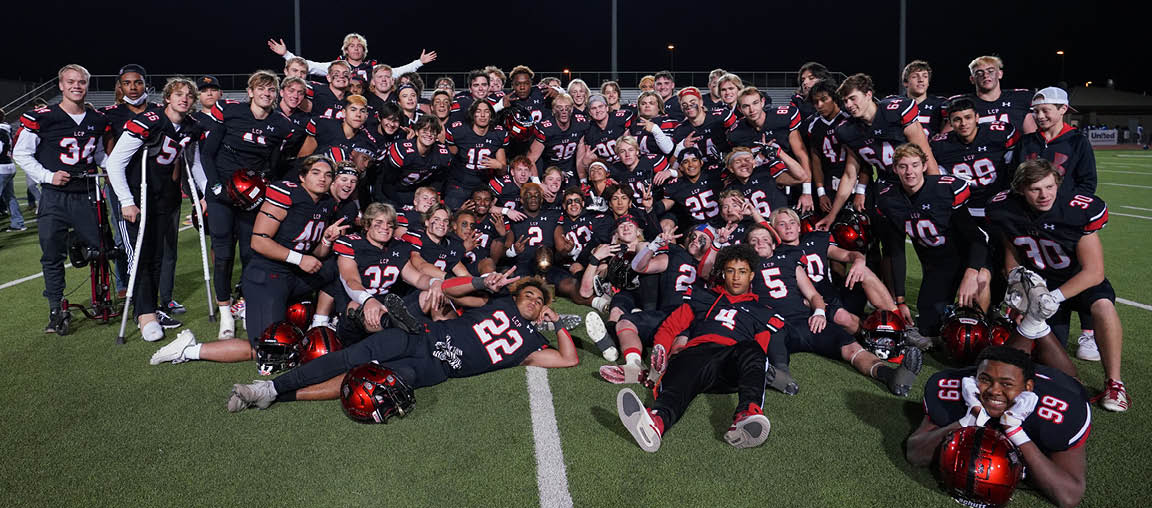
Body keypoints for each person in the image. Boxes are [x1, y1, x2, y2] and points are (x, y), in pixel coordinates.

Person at [224, 277, 579, 413]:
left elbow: (569, 360)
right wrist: (480, 280)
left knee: (363, 381)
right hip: (419, 334)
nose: (532, 300)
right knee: (350, 356)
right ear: (517, 295)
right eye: (528, 294)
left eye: (538, 300)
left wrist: (558, 322)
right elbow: (451, 289)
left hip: (435, 369)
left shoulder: (533, 345)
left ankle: (276, 396)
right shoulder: (498, 301)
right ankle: (268, 386)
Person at [985, 159, 1129, 412]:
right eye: (1036, 189)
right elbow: (1011, 258)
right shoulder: (1005, 209)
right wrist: (1020, 282)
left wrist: (1052, 298)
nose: (1044, 195)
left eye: (1050, 187)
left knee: (1104, 307)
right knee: (1050, 366)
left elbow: (1094, 272)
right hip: (1040, 283)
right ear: (1021, 190)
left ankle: (1114, 383)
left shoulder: (1076, 210)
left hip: (1077, 282)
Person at [614, 244, 784, 452]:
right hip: (697, 355)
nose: (736, 277)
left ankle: (747, 415)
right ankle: (655, 423)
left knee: (752, 349)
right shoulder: (703, 297)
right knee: (679, 380)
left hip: (730, 365)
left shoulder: (762, 311)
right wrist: (661, 352)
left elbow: (761, 351)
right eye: (730, 271)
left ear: (751, 276)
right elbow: (670, 326)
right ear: (723, 273)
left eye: (742, 272)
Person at [747, 222, 921, 396]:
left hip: (807, 321)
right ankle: (781, 375)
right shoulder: (745, 268)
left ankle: (889, 374)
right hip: (776, 325)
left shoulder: (790, 260)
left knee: (851, 347)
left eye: (764, 239)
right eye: (754, 241)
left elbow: (814, 295)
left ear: (773, 243)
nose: (759, 243)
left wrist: (820, 313)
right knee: (774, 342)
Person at [906, 346, 1090, 508]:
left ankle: (1035, 326)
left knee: (1072, 379)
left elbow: (1068, 496)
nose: (994, 390)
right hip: (1016, 375)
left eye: (1006, 384)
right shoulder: (952, 390)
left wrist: (1016, 432)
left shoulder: (1063, 410)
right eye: (985, 380)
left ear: (1028, 388)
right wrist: (969, 419)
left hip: (1061, 383)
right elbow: (916, 453)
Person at [199, 70, 304, 339]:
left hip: (253, 197)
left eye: (271, 89)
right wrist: (215, 186)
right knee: (223, 254)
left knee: (250, 253)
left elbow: (274, 163)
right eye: (261, 88)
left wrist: (266, 185)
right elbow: (208, 152)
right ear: (250, 91)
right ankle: (225, 313)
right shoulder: (230, 111)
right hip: (222, 192)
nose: (266, 93)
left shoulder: (281, 125)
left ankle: (245, 303)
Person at [105, 77, 206, 341]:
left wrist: (204, 193)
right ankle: (144, 313)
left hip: (164, 197)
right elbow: (114, 162)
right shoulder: (149, 121)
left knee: (158, 255)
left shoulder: (191, 127)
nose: (184, 98)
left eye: (189, 95)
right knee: (140, 255)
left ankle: (152, 307)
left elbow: (193, 164)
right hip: (138, 196)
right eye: (178, 94)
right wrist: (126, 201)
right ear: (167, 98)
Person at [12, 64, 110, 333]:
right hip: (55, 196)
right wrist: (47, 175)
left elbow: (99, 154)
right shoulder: (42, 117)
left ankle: (101, 296)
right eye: (71, 82)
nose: (76, 86)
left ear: (86, 85)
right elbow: (21, 154)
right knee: (52, 254)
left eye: (81, 82)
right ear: (61, 85)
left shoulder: (97, 119)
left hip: (87, 194)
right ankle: (55, 307)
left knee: (101, 249)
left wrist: (114, 169)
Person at [875, 144, 990, 336]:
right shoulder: (889, 200)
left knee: (980, 286)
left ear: (924, 165)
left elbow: (977, 238)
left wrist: (971, 272)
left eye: (914, 165)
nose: (909, 172)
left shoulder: (945, 190)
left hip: (966, 259)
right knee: (929, 327)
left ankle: (985, 325)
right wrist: (900, 300)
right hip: (937, 267)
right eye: (903, 166)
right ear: (895, 169)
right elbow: (896, 251)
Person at [835, 73, 939, 189]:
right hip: (888, 185)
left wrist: (935, 190)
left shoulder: (895, 112)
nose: (848, 105)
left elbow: (926, 154)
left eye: (852, 98)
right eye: (845, 101)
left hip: (916, 180)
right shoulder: (850, 128)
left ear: (868, 95)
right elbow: (856, 169)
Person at [929, 97, 1019, 217]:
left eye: (968, 117)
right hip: (963, 206)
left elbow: (1015, 167)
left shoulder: (999, 133)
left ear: (977, 117)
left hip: (999, 203)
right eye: (957, 119)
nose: (963, 124)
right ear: (950, 122)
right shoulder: (940, 145)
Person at [267, 34, 435, 82]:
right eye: (352, 45)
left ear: (364, 50)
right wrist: (286, 54)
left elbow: (395, 72)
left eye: (359, 46)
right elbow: (308, 66)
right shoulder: (337, 66)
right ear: (346, 50)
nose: (356, 48)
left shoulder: (372, 67)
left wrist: (419, 62)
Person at [942, 55, 1036, 134]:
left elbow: (1033, 137)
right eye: (979, 73)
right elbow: (944, 138)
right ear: (972, 79)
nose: (985, 75)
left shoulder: (1020, 98)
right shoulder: (962, 102)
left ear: (1000, 74)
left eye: (990, 71)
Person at [804, 79, 856, 222]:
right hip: (830, 182)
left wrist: (862, 190)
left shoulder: (851, 120)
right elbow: (816, 160)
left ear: (834, 98)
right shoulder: (812, 125)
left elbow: (862, 158)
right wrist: (821, 193)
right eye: (816, 102)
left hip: (854, 179)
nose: (819, 105)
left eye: (824, 99)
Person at [444, 99, 508, 209]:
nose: (482, 115)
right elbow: (450, 157)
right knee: (452, 209)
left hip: (484, 185)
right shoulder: (459, 131)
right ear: (473, 114)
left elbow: (503, 170)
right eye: (478, 111)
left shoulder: (499, 134)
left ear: (491, 115)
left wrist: (499, 166)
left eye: (486, 111)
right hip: (460, 183)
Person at [377, 116, 451, 206]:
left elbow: (438, 180)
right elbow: (387, 183)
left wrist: (433, 196)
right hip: (390, 191)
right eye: (424, 131)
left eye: (433, 132)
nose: (429, 134)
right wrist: (401, 204)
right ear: (416, 132)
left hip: (416, 193)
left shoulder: (441, 154)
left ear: (437, 136)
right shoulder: (403, 151)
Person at [528, 93, 591, 183]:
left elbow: (580, 158)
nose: (564, 111)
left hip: (570, 170)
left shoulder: (579, 125)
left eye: (567, 107)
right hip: (548, 170)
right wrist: (537, 183)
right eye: (559, 107)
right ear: (553, 110)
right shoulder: (546, 128)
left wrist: (583, 181)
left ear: (572, 109)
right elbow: (531, 159)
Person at [900, 60, 947, 136]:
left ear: (928, 82)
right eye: (915, 76)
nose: (921, 80)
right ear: (905, 82)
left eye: (925, 76)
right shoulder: (897, 103)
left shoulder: (940, 103)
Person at [0, 109, 26, 232]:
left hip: (1, 167)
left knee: (9, 197)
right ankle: (18, 223)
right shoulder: (6, 128)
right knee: (10, 197)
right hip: (9, 165)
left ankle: (18, 222)